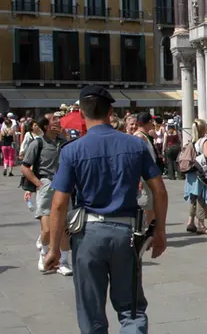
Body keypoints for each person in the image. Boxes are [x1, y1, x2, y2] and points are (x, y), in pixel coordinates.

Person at [44, 85, 168, 333]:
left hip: (88, 235)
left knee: (92, 314)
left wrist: (55, 248)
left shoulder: (72, 150)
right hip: (126, 233)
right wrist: (160, 232)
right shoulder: (135, 146)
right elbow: (159, 190)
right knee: (131, 310)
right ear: (111, 111)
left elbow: (58, 204)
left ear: (81, 113)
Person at [21, 113, 72, 275]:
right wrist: (38, 183)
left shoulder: (64, 143)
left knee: (64, 228)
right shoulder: (38, 143)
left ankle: (63, 262)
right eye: (54, 120)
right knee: (48, 229)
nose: (58, 122)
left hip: (63, 187)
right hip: (46, 185)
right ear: (46, 126)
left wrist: (65, 136)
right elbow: (25, 167)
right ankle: (44, 253)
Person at [185, 119, 207, 234]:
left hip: (191, 173)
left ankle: (190, 222)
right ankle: (201, 225)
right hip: (200, 173)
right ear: (203, 129)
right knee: (201, 199)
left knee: (193, 199)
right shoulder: (204, 141)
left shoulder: (191, 141)